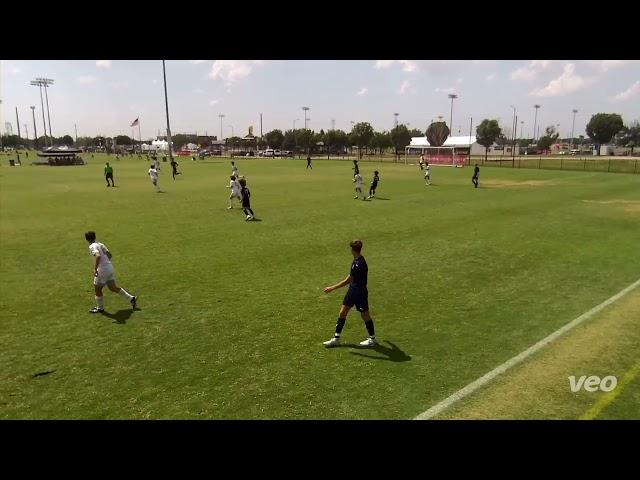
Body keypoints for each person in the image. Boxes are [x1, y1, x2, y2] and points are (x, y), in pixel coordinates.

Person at [323, 240, 377, 347]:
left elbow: (348, 280)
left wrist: (332, 288)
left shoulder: (358, 263)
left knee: (365, 315)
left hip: (360, 292)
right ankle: (336, 339)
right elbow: (350, 277)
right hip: (353, 291)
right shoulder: (358, 259)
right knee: (343, 312)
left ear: (352, 249)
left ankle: (372, 339)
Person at [84, 231, 137, 314]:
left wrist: (95, 269)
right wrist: (106, 263)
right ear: (95, 237)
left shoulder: (92, 246)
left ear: (86, 239)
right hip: (109, 268)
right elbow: (109, 255)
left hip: (102, 270)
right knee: (112, 287)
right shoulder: (100, 244)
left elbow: (97, 256)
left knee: (97, 289)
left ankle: (100, 308)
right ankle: (131, 298)